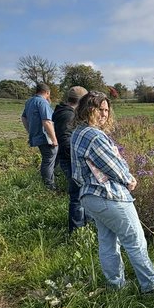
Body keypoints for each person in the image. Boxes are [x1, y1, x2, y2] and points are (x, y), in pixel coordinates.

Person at [70, 91, 154, 293]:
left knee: (108, 241)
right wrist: (129, 179)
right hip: (108, 195)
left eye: (106, 110)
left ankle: (116, 286)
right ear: (87, 110)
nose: (103, 114)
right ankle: (152, 287)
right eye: (99, 109)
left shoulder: (78, 133)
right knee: (135, 240)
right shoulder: (94, 136)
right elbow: (112, 165)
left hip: (89, 196)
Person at [53, 86, 88, 233]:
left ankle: (85, 226)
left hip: (69, 158)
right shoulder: (68, 115)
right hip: (71, 160)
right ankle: (76, 231)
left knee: (81, 193)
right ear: (81, 101)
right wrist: (79, 156)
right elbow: (65, 140)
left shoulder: (65, 112)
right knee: (77, 195)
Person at [21, 82, 58, 189]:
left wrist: (30, 131)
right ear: (47, 92)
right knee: (49, 160)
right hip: (46, 137)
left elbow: (23, 118)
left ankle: (48, 180)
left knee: (47, 159)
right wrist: (54, 139)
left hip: (36, 136)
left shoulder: (29, 101)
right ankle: (49, 186)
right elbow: (47, 121)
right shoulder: (42, 102)